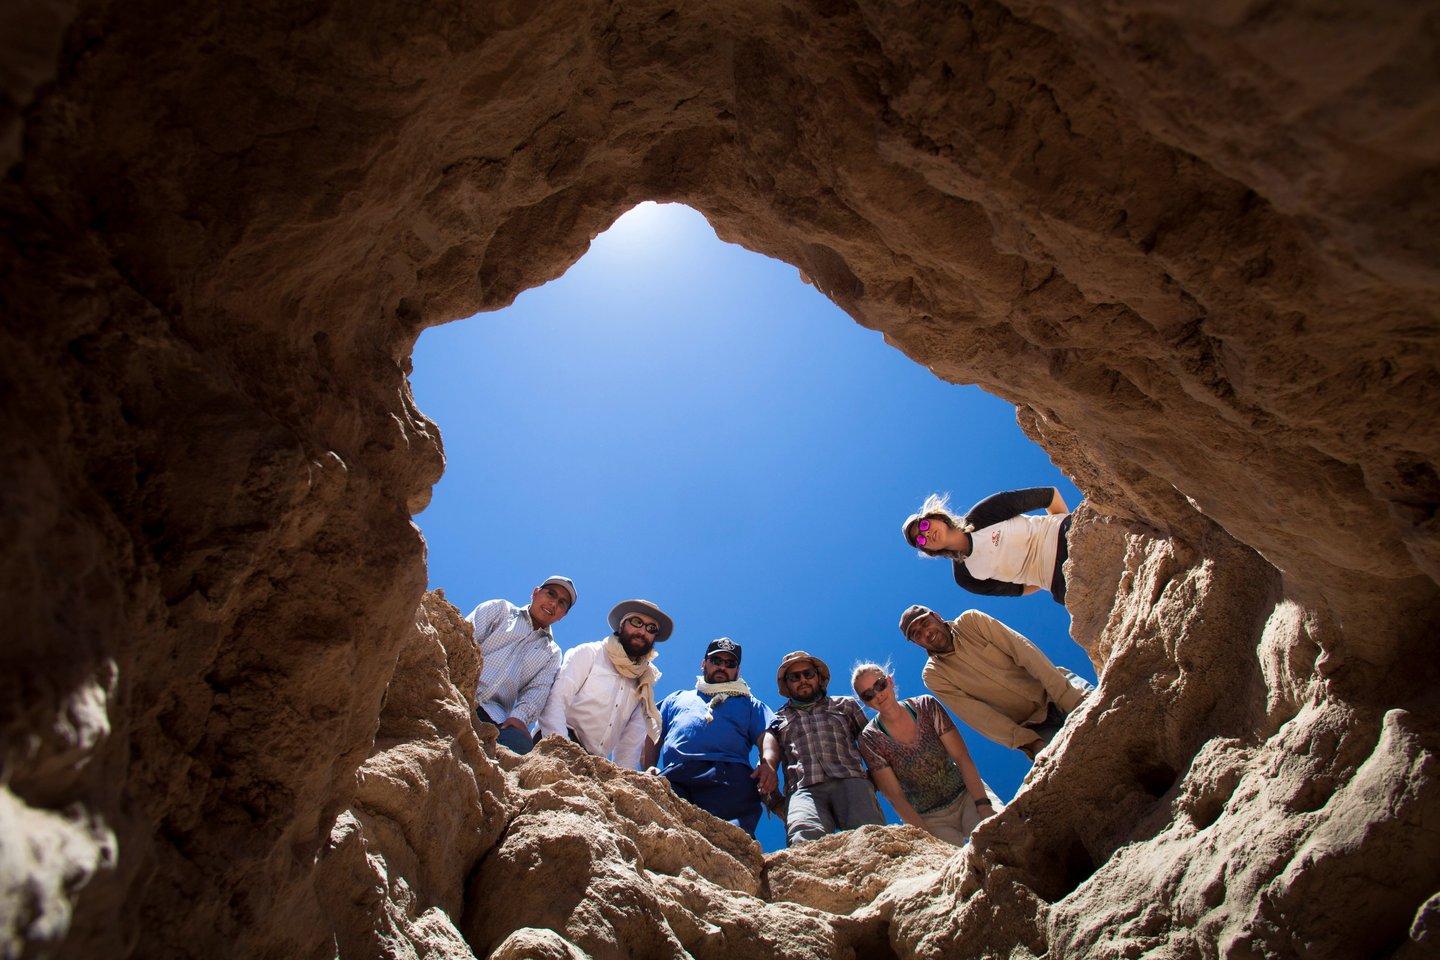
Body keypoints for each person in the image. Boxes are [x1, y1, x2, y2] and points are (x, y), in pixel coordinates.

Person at [900, 604, 1092, 759]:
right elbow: (980, 716)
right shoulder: (934, 676)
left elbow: (1025, 653)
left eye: (925, 623)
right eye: (917, 634)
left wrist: (1070, 699)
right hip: (1034, 728)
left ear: (937, 616)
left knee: (1101, 710)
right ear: (917, 643)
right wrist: (1031, 743)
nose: (926, 633)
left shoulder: (971, 622)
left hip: (1060, 689)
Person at [851, 662, 1002, 846]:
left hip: (967, 795)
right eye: (868, 694)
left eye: (880, 684)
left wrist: (983, 805)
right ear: (864, 701)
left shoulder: (926, 705)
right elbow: (895, 796)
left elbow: (961, 757)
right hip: (929, 817)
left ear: (889, 681)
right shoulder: (870, 739)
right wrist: (927, 840)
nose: (878, 694)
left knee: (1000, 838)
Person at [642, 638, 777, 836]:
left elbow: (767, 735)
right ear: (704, 663)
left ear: (737, 671)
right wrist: (648, 767)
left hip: (728, 777)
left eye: (729, 663)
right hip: (675, 776)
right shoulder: (676, 698)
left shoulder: (750, 704)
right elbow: (653, 731)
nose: (722, 667)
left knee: (731, 840)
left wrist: (769, 764)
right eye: (716, 661)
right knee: (661, 834)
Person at [760, 650, 885, 845]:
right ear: (787, 684)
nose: (803, 680)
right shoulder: (776, 720)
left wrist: (874, 780)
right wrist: (776, 802)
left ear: (819, 677)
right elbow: (768, 757)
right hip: (803, 789)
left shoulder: (846, 705)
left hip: (850, 780)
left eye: (808, 674)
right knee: (803, 843)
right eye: (794, 677)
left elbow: (873, 744)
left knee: (872, 837)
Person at [537, 599, 671, 769]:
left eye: (651, 628)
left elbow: (629, 746)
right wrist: (561, 749)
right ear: (621, 626)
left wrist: (624, 781)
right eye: (637, 622)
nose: (642, 631)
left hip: (594, 764)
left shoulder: (643, 685)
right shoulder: (589, 653)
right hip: (557, 741)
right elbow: (555, 701)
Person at [901, 486, 1073, 604]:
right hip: (1061, 582)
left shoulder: (983, 513)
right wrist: (1047, 576)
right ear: (930, 551)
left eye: (924, 526)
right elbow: (1020, 589)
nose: (927, 534)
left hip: (1065, 535)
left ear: (936, 518)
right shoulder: (966, 577)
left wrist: (1070, 530)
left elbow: (1049, 496)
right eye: (921, 540)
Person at [464, 576, 577, 755]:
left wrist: (520, 718)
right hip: (460, 690)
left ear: (563, 615)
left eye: (562, 603)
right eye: (551, 594)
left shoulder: (552, 653)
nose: (553, 603)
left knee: (520, 745)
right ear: (535, 593)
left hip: (493, 716)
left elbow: (536, 691)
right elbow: (464, 639)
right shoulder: (499, 610)